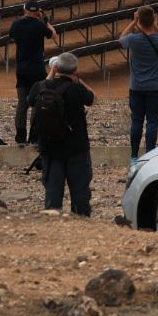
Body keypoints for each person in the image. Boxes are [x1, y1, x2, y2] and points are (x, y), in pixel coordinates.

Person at [28, 52, 96, 216]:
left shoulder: (40, 87)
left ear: (55, 67)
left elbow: (30, 101)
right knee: (80, 192)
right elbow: (92, 98)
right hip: (76, 148)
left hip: (50, 148)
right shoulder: (77, 89)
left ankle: (53, 221)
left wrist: (50, 75)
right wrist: (78, 79)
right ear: (75, 70)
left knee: (52, 192)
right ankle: (81, 222)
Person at [119, 6, 158, 167]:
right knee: (153, 121)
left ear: (139, 20)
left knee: (137, 120)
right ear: (153, 19)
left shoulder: (133, 40)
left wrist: (133, 22)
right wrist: (153, 24)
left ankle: (134, 156)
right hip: (155, 86)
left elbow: (121, 39)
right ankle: (150, 154)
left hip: (137, 86)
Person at [7, 2, 57, 146]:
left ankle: (20, 137)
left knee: (22, 103)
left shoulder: (16, 24)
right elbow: (53, 35)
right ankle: (34, 137)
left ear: (24, 10)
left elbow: (11, 37)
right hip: (38, 70)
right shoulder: (40, 25)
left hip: (22, 70)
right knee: (37, 103)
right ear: (37, 12)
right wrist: (45, 21)